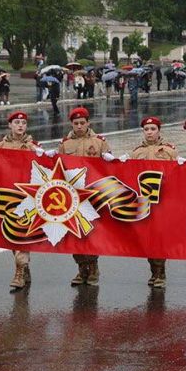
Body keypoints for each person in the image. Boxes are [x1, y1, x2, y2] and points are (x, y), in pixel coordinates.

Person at [58, 107, 112, 286]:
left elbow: (109, 169)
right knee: (74, 234)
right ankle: (82, 269)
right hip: (72, 196)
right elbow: (58, 169)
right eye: (76, 123)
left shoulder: (99, 142)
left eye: (82, 123)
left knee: (91, 233)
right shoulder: (65, 144)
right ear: (72, 124)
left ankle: (93, 267)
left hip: (93, 194)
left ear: (88, 123)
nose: (79, 126)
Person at [0, 111, 39, 292]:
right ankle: (24, 267)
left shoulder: (34, 146)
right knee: (11, 234)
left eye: (23, 123)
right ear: (10, 125)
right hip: (7, 195)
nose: (20, 126)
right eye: (17, 123)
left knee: (21, 232)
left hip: (27, 197)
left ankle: (19, 272)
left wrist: (43, 154)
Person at [130, 117, 177, 288]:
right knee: (148, 238)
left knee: (159, 237)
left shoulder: (169, 150)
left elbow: (177, 176)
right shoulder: (137, 152)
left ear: (159, 130)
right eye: (146, 129)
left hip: (163, 199)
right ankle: (154, 270)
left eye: (153, 129)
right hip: (144, 200)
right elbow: (130, 176)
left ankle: (160, 273)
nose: (149, 132)